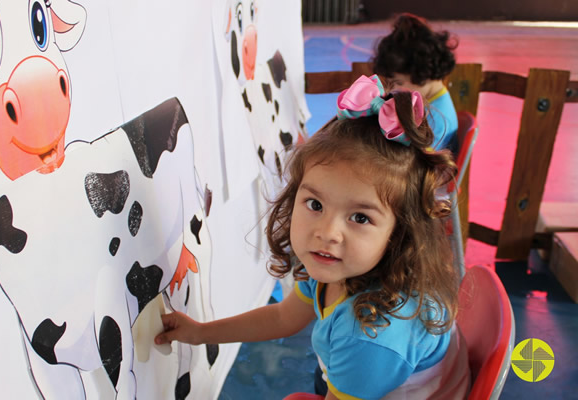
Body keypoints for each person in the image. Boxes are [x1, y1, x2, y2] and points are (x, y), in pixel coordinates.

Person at [155, 75, 470, 399]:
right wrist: (200, 333)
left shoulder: (371, 335)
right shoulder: (334, 266)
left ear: (399, 234)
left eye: (360, 217)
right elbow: (282, 316)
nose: (326, 233)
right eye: (315, 204)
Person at [373, 13, 459, 155]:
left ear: (422, 74)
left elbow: (413, 167)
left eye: (398, 83)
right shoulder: (429, 104)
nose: (393, 89)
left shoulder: (438, 121)